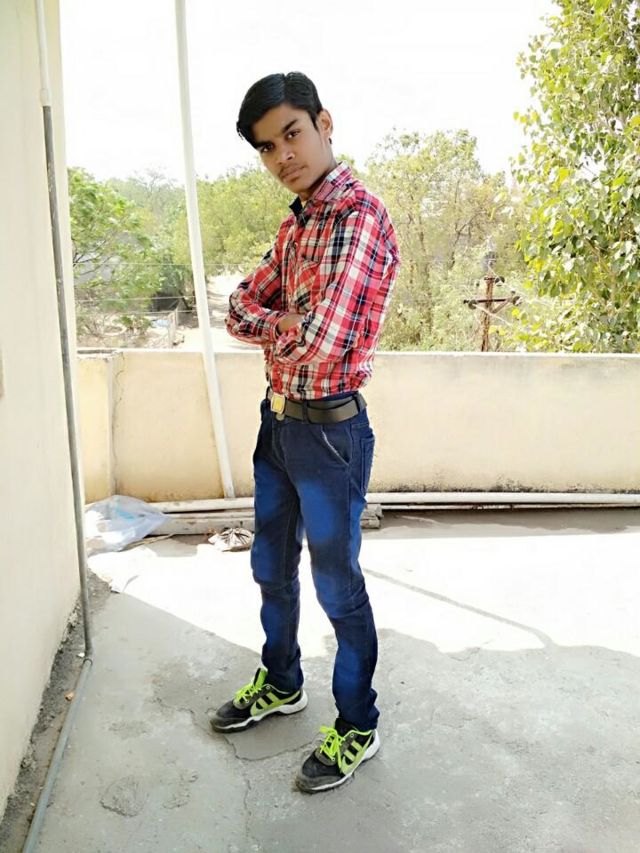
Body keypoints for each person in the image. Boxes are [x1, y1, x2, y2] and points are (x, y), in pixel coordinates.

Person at [212, 71, 400, 794]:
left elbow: (321, 343)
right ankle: (283, 681)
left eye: (291, 134)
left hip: (329, 435)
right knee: (269, 566)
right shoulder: (296, 227)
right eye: (267, 147)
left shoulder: (361, 217)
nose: (282, 155)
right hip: (278, 424)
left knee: (337, 586)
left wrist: (281, 325)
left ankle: (357, 723)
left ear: (324, 123)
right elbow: (236, 309)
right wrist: (279, 323)